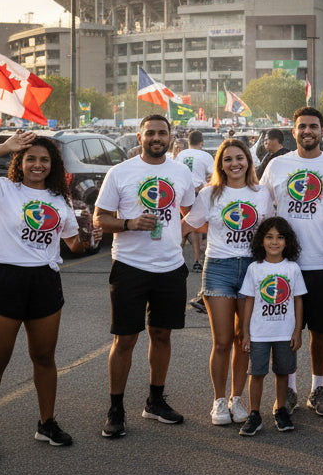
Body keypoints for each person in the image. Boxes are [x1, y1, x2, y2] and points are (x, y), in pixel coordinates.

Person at [0, 131, 89, 460]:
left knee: (44, 358)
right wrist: (5, 145)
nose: (37, 165)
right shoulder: (3, 189)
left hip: (45, 281)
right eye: (31, 158)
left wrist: (89, 234)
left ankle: (47, 423)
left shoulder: (61, 199)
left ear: (53, 165)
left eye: (44, 159)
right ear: (20, 161)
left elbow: (75, 245)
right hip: (6, 278)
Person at [93, 115, 197, 438]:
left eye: (161, 133)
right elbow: (99, 219)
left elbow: (190, 212)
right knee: (125, 339)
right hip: (129, 267)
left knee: (162, 335)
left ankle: (155, 400)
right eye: (150, 133)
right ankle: (116, 408)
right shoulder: (120, 173)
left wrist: (180, 236)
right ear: (139, 137)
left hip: (169, 268)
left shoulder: (180, 172)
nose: (156, 137)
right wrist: (128, 224)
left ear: (170, 137)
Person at [261, 107, 323, 417]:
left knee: (321, 331)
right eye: (302, 126)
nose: (307, 131)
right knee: (286, 330)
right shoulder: (277, 165)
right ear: (293, 130)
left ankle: (317, 388)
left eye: (313, 126)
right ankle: (290, 390)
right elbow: (262, 206)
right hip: (284, 264)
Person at [182, 138, 273, 427]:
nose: (234, 164)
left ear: (249, 161)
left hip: (252, 270)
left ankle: (237, 397)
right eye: (228, 159)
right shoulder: (209, 194)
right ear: (220, 164)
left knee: (243, 341)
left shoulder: (262, 194)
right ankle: (219, 400)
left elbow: (271, 233)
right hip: (218, 269)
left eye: (240, 158)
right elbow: (186, 226)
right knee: (222, 342)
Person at [237, 217, 307, 436]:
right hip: (259, 333)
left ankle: (281, 409)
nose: (274, 242)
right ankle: (254, 414)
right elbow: (248, 301)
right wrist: (246, 332)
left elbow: (298, 300)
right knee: (256, 373)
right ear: (261, 241)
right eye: (269, 237)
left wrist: (297, 331)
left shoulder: (293, 268)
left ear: (287, 242)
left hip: (285, 333)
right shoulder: (254, 269)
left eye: (280, 237)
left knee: (283, 372)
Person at [176, 130, 215, 273]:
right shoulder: (206, 156)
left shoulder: (181, 155)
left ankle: (175, 259)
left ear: (188, 141)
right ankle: (198, 260)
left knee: (184, 225)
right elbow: (213, 175)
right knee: (195, 226)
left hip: (181, 194)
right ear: (202, 142)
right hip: (199, 192)